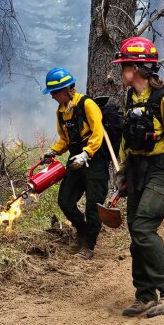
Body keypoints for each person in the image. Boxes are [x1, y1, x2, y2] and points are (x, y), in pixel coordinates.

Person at [112, 37, 164, 318]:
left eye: (123, 65)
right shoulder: (131, 97)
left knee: (143, 228)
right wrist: (123, 169)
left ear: (136, 68)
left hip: (162, 171)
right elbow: (127, 137)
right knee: (136, 232)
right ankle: (145, 295)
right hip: (138, 170)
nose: (120, 70)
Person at [41, 68, 109, 259]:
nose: (52, 97)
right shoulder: (61, 112)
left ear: (65, 90)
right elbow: (65, 139)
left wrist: (87, 153)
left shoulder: (87, 104)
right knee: (65, 200)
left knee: (93, 206)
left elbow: (98, 133)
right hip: (75, 159)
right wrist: (53, 150)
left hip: (94, 160)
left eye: (54, 93)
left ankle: (88, 245)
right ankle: (82, 230)